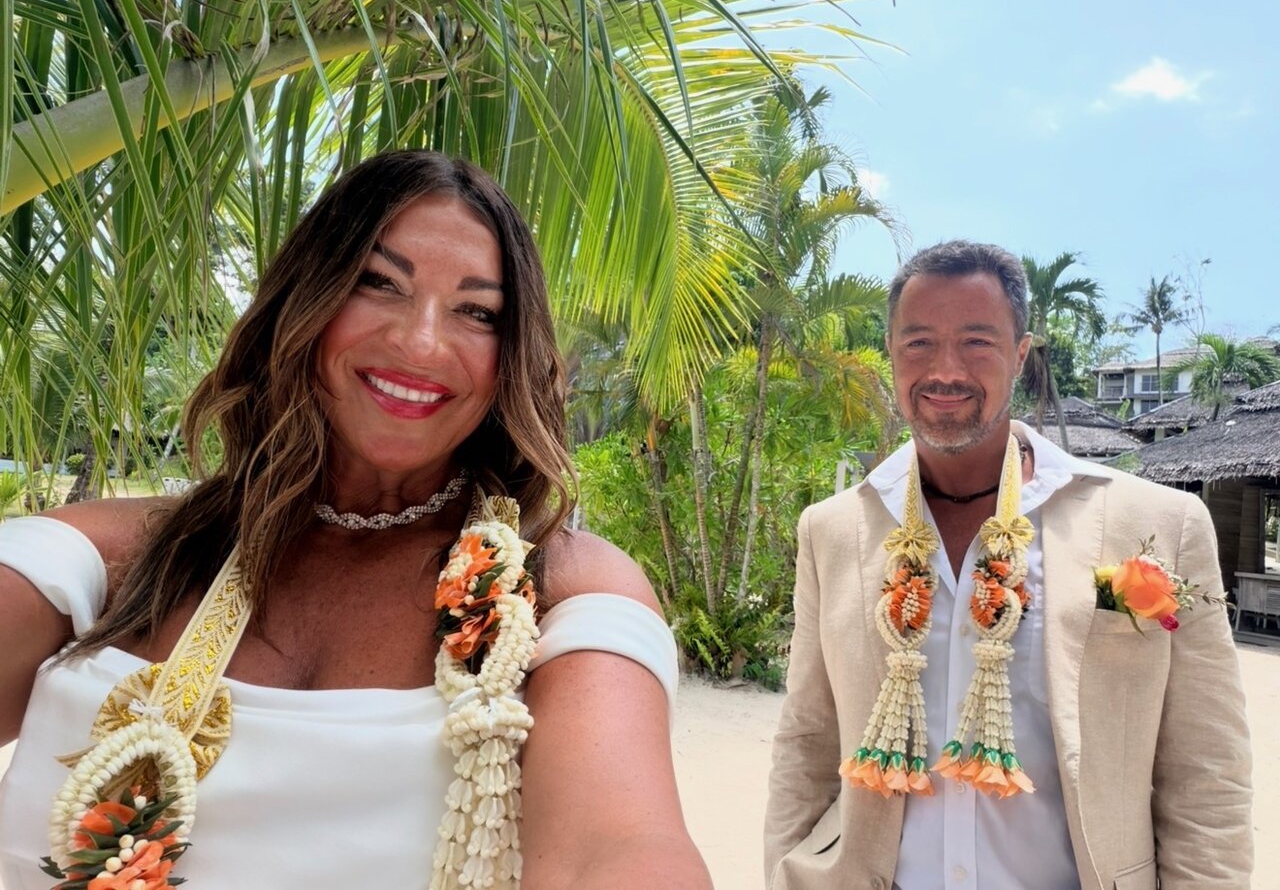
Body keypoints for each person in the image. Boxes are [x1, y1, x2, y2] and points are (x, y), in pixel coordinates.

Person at [0, 150, 711, 890]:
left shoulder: (559, 590)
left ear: (511, 354)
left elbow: (619, 846)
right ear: (305, 299)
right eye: (378, 283)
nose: (421, 343)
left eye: (477, 312)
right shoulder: (111, 556)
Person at [763, 240, 1252, 890]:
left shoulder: (1161, 525)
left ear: (1020, 355)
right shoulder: (831, 531)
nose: (945, 370)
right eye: (918, 343)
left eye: (976, 342)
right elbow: (806, 742)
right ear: (891, 352)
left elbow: (1206, 768)